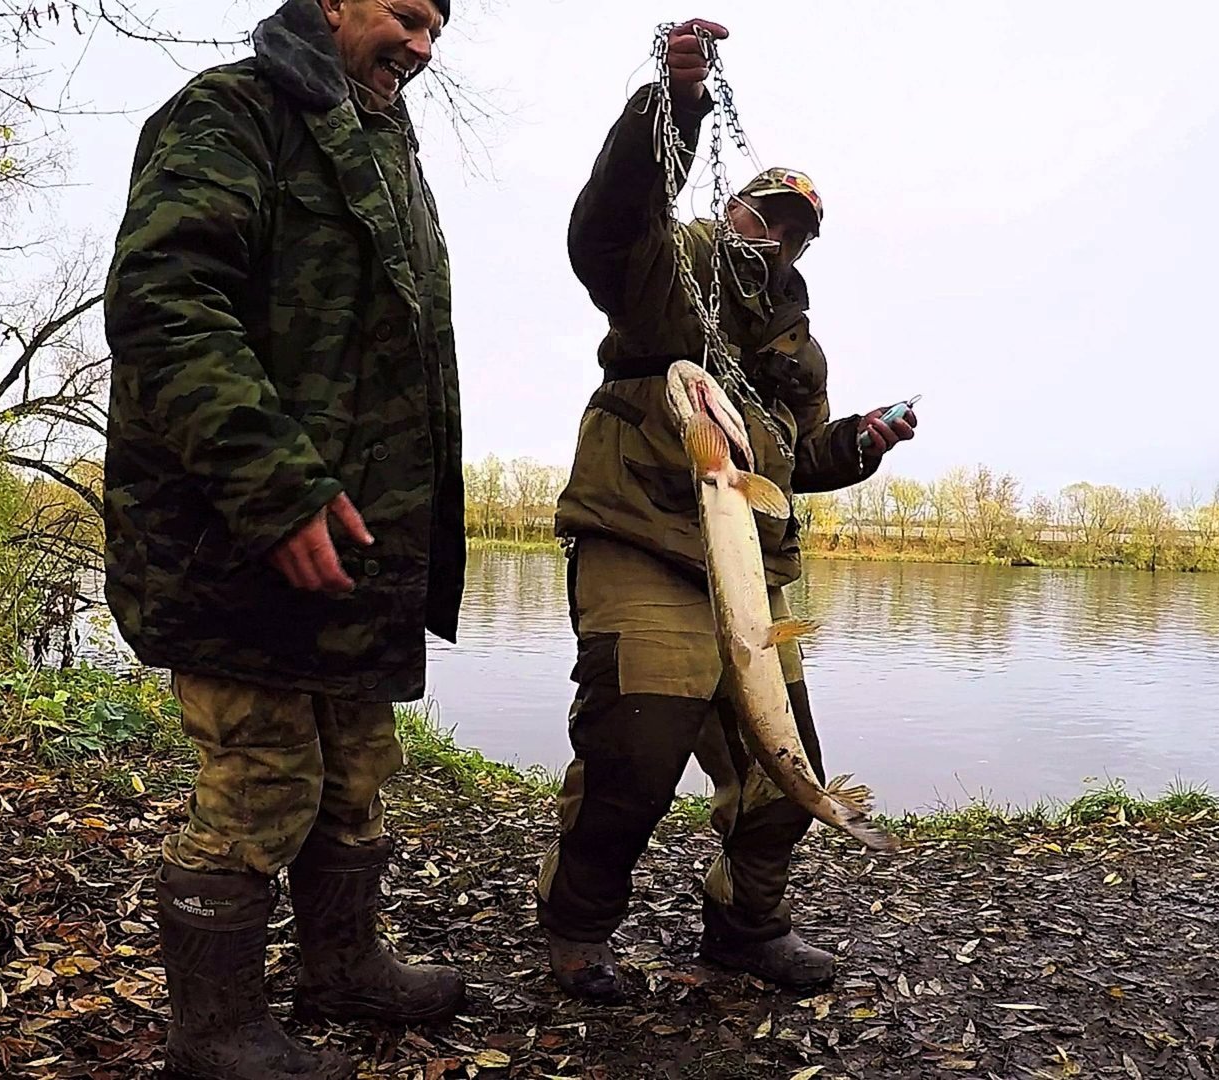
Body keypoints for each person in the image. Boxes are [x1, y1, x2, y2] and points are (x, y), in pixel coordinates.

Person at [100, 0, 464, 1075]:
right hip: (239, 534)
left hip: (360, 544)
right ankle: (213, 1036)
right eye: (406, 15)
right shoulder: (233, 113)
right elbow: (165, 302)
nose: (424, 47)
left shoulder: (386, 146)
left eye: (441, 28)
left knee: (355, 768)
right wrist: (273, 486)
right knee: (261, 778)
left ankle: (342, 967)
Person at [537, 18, 921, 1003]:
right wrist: (672, 101)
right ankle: (577, 935)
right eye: (765, 212)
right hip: (647, 543)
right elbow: (608, 228)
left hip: (756, 577)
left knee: (787, 772)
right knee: (637, 751)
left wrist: (863, 444)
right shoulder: (674, 270)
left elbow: (799, 462)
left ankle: (748, 929)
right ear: (735, 206)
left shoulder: (800, 344)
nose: (777, 232)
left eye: (796, 227)